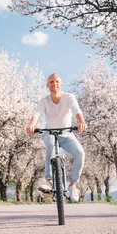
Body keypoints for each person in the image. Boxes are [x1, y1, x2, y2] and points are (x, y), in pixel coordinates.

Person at [26, 73, 86, 202]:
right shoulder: (44, 101)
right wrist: (31, 125)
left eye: (57, 81)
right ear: (47, 85)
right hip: (50, 133)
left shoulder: (69, 97)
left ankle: (72, 186)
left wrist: (81, 121)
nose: (55, 84)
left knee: (80, 153)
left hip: (66, 134)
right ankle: (50, 182)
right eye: (52, 82)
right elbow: (37, 113)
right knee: (51, 147)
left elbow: (76, 110)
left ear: (61, 84)